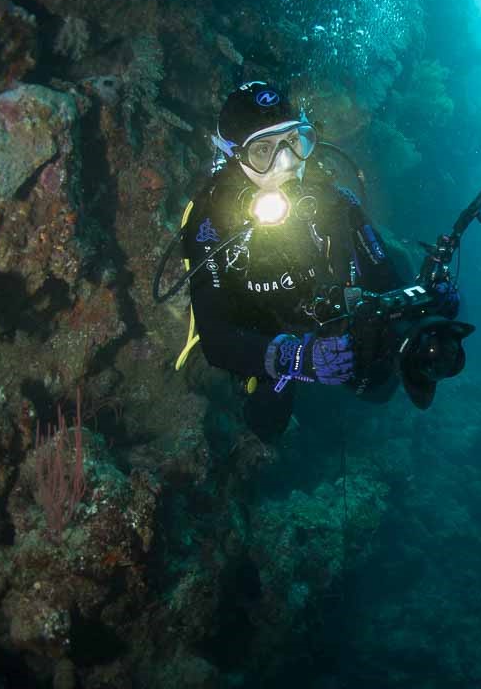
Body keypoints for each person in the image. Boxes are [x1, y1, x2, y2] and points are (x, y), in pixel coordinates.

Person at [180, 81, 459, 441]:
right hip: (265, 334)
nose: (287, 163)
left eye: (296, 142)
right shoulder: (209, 220)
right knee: (267, 424)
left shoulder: (333, 200)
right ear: (234, 156)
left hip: (327, 316)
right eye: (263, 151)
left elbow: (383, 278)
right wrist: (295, 358)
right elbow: (216, 338)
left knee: (379, 387)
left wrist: (422, 303)